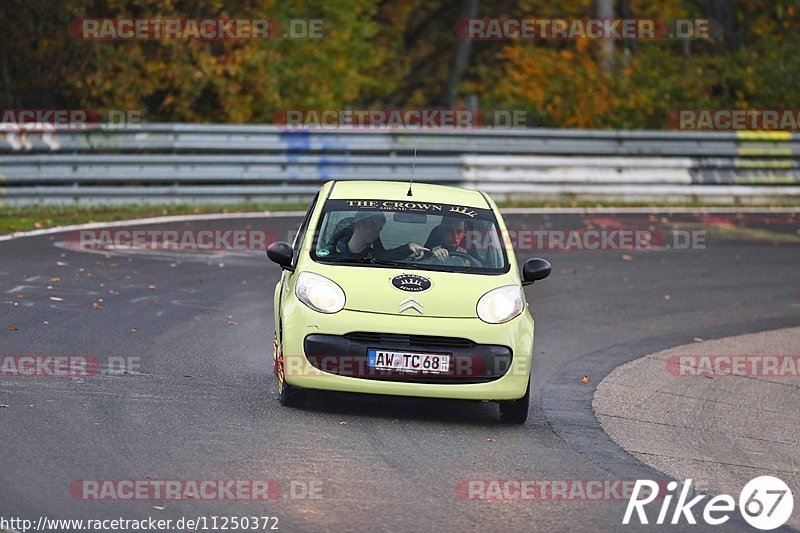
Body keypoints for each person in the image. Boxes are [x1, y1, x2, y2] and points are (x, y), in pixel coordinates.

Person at [325, 212, 428, 261]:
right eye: (372, 225)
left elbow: (387, 256)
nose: (376, 231)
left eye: (379, 229)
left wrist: (409, 246)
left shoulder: (375, 256)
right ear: (359, 224)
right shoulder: (330, 253)